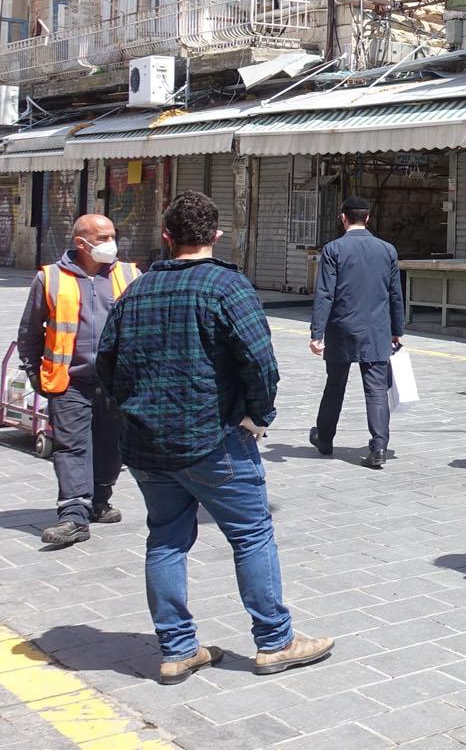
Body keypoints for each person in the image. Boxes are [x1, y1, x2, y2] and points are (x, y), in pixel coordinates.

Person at [96, 192, 332, 685]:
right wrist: (258, 416)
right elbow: (260, 362)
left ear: (166, 237)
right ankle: (275, 640)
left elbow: (107, 363)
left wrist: (133, 410)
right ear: (216, 235)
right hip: (213, 438)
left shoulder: (134, 291)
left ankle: (178, 648)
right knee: (250, 535)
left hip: (146, 444)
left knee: (165, 539)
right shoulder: (227, 286)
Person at [18, 214, 140, 548]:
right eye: (102, 238)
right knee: (72, 447)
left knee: (111, 446)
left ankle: (99, 500)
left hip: (117, 382)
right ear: (80, 242)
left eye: (112, 235)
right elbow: (29, 333)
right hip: (69, 382)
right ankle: (73, 516)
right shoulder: (50, 278)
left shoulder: (129, 275)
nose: (110, 243)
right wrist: (35, 375)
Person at [308, 195, 405, 470]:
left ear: (343, 218)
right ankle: (378, 448)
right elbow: (395, 294)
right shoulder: (387, 250)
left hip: (341, 328)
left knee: (334, 386)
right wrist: (397, 330)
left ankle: (325, 439)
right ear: (368, 218)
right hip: (376, 329)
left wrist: (317, 332)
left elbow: (325, 293)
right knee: (375, 390)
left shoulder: (333, 249)